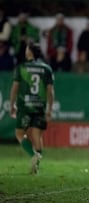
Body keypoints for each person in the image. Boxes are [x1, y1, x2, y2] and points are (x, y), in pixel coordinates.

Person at [9, 42, 54, 174]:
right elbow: (50, 91)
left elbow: (15, 88)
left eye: (27, 48)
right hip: (40, 106)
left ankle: (33, 155)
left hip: (25, 106)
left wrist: (12, 105)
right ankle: (36, 166)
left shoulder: (21, 67)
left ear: (29, 52)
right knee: (37, 136)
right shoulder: (46, 69)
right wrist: (50, 109)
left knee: (19, 134)